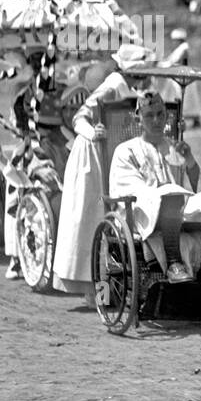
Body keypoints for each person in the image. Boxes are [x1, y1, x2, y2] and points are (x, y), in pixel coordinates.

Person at [50, 43, 176, 293]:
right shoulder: (114, 84)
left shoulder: (136, 89)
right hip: (92, 152)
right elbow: (80, 116)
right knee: (90, 215)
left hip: (111, 150)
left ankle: (110, 280)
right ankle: (91, 284)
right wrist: (92, 131)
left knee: (107, 211)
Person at [109, 90, 201, 284]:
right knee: (169, 193)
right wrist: (160, 193)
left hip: (178, 211)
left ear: (166, 117)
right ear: (138, 120)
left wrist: (189, 160)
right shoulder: (126, 151)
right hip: (145, 214)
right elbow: (127, 189)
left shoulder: (174, 147)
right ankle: (174, 264)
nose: (156, 121)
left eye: (160, 115)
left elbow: (195, 187)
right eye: (149, 116)